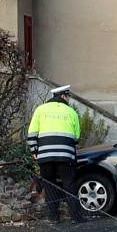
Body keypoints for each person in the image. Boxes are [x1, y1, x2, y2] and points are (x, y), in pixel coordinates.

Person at [27, 85, 83, 223]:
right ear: (63, 96)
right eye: (68, 97)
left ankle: (53, 217)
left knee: (50, 184)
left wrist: (35, 151)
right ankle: (76, 217)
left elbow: (32, 133)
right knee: (69, 184)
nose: (68, 99)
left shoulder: (40, 110)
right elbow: (76, 137)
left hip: (45, 156)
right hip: (66, 156)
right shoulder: (71, 112)